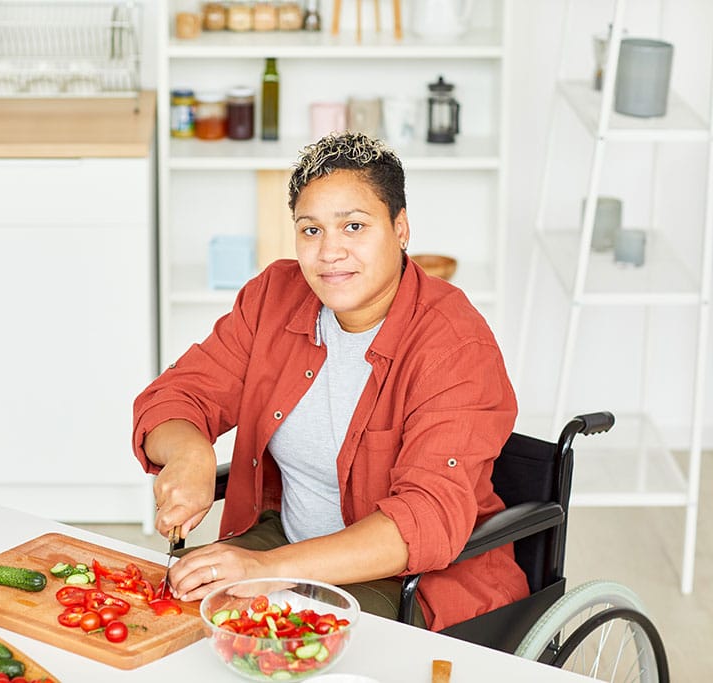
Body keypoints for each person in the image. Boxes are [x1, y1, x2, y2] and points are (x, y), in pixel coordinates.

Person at [131, 132, 528, 631]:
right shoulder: (274, 295)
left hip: (409, 581)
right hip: (284, 543)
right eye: (310, 230)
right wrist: (192, 454)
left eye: (354, 226)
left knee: (268, 647)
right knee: (173, 626)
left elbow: (424, 516)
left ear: (400, 228)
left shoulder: (455, 345)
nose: (329, 253)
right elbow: (175, 397)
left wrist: (265, 569)